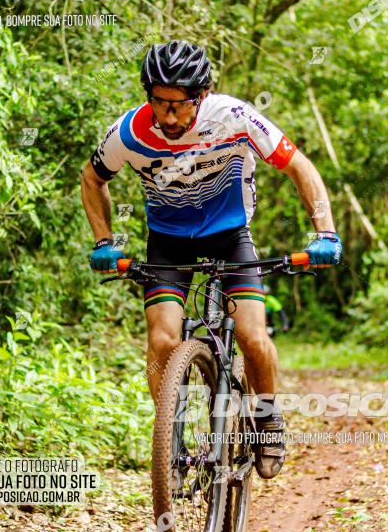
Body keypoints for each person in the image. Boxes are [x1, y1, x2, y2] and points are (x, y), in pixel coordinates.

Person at [81, 40, 341, 480]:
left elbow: (300, 167)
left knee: (252, 335)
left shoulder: (234, 117)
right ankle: (172, 434)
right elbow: (92, 179)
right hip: (168, 242)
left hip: (229, 236)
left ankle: (267, 418)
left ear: (203, 95)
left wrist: (326, 232)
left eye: (179, 105)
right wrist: (104, 240)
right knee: (163, 337)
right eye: (159, 102)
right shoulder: (129, 132)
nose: (169, 117)